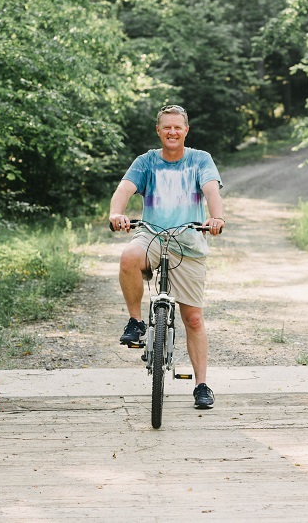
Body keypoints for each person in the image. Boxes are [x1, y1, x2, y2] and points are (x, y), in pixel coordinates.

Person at [109, 104, 224, 410]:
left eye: (178, 127)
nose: (172, 132)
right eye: (166, 127)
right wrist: (116, 213)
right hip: (152, 234)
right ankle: (135, 322)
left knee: (194, 318)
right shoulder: (146, 161)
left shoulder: (200, 159)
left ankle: (201, 385)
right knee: (128, 256)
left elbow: (212, 191)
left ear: (186, 130)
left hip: (188, 239)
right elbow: (124, 189)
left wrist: (216, 218)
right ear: (158, 130)